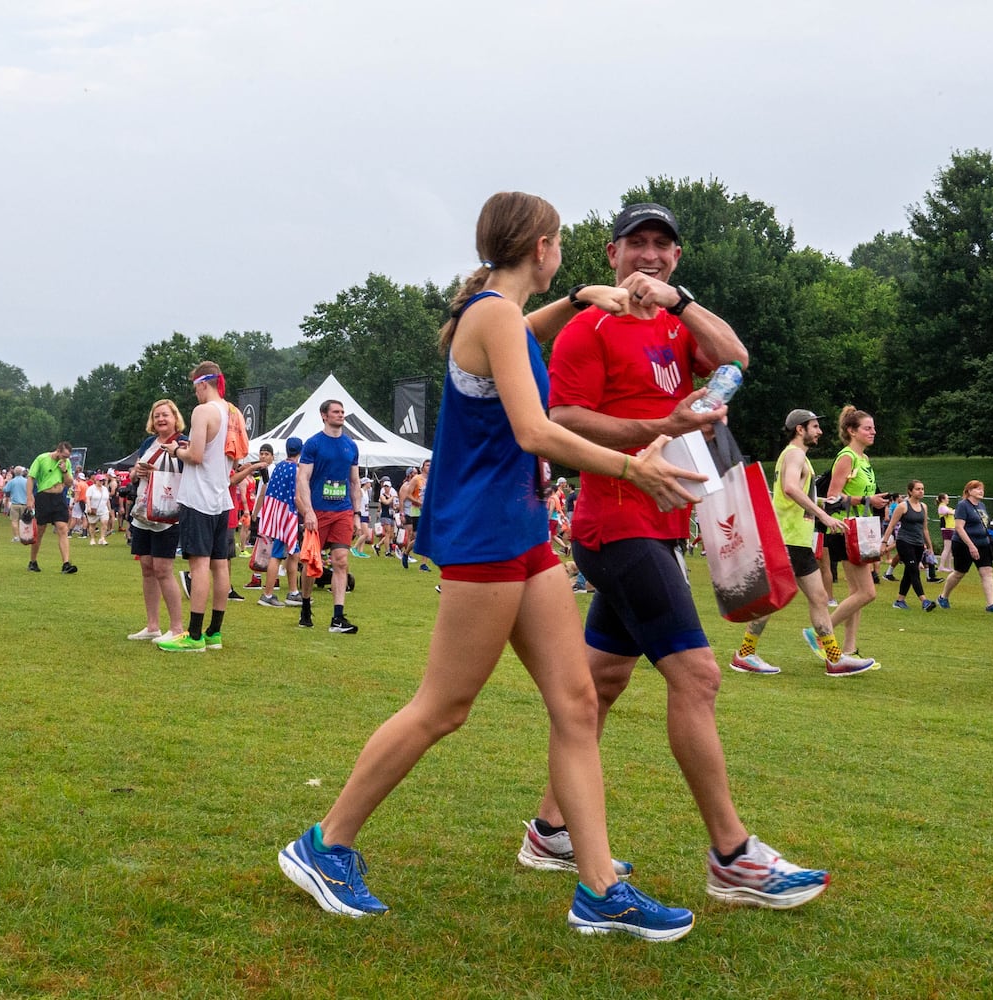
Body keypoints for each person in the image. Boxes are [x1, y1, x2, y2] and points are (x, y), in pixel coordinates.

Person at [278, 191, 697, 940]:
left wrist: (574, 299)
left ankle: (599, 888)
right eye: (561, 244)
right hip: (486, 536)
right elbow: (536, 430)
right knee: (444, 707)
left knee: (574, 705)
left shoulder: (494, 311)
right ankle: (324, 844)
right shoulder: (491, 314)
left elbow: (520, 342)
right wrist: (633, 469)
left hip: (522, 530)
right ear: (540, 246)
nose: (564, 251)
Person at [541, 200, 829, 909]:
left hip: (662, 524)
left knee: (602, 684)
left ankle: (550, 829)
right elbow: (562, 418)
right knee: (698, 678)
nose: (649, 255)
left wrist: (685, 301)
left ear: (676, 259)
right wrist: (660, 425)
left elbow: (736, 357)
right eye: (636, 243)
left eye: (662, 246)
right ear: (610, 255)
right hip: (614, 521)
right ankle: (731, 855)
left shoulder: (678, 324)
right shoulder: (587, 326)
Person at [727, 409, 876, 676]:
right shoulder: (795, 454)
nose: (819, 432)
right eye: (815, 426)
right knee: (776, 598)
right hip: (788, 538)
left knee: (818, 598)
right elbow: (790, 488)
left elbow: (796, 493)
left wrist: (823, 503)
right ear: (800, 429)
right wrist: (822, 516)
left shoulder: (797, 457)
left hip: (796, 539)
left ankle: (833, 659)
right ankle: (745, 655)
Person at [156, 361, 235, 653]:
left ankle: (195, 635)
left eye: (195, 388)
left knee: (199, 565)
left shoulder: (203, 411)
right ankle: (214, 632)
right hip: (220, 496)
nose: (195, 395)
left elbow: (197, 455)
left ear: (203, 384)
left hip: (198, 497)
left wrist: (177, 450)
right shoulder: (232, 411)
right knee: (220, 564)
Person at [822, 406, 891, 657]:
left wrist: (876, 502)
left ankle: (849, 650)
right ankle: (822, 631)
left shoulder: (864, 460)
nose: (873, 432)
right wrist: (866, 500)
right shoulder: (847, 457)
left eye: (873, 427)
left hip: (861, 529)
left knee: (856, 594)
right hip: (844, 529)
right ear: (852, 431)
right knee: (866, 592)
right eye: (867, 428)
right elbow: (832, 497)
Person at [295, 399, 364, 633]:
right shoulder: (313, 444)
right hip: (318, 512)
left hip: (342, 511)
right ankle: (305, 605)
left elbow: (355, 482)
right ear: (324, 415)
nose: (340, 415)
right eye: (336, 412)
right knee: (312, 564)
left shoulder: (351, 446)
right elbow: (303, 478)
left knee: (341, 561)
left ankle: (337, 617)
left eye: (342, 412)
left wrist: (357, 514)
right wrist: (309, 511)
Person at [127, 399, 187, 642]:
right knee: (147, 567)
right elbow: (133, 473)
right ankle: (152, 625)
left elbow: (188, 473)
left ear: (175, 418)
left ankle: (176, 627)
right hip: (143, 511)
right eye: (156, 415)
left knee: (164, 569)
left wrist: (157, 474)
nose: (161, 419)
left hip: (167, 513)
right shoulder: (148, 443)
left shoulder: (183, 444)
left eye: (165, 415)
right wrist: (136, 473)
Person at [937, 480, 993, 612]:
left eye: (982, 489)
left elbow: (984, 524)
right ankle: (943, 597)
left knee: (987, 571)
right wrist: (971, 545)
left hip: (983, 544)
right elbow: (959, 527)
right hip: (963, 544)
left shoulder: (982, 506)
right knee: (959, 573)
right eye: (977, 488)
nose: (981, 491)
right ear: (969, 491)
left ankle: (991, 604)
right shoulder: (963, 505)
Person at [256, 437, 304, 608]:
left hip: (277, 514)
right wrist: (307, 513)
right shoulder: (296, 470)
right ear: (301, 451)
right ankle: (267, 594)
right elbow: (297, 497)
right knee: (277, 555)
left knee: (294, 553)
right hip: (287, 516)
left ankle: (294, 592)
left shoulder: (279, 467)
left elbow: (268, 490)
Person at [883, 480, 936, 612]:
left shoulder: (924, 506)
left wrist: (929, 546)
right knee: (914, 570)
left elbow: (925, 529)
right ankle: (924, 601)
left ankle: (899, 601)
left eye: (922, 489)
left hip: (918, 544)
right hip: (904, 542)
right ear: (910, 491)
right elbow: (891, 525)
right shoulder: (903, 506)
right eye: (918, 489)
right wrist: (884, 542)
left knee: (909, 572)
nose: (921, 491)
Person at [26, 443, 77, 574]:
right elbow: (31, 478)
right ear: (58, 451)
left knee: (63, 528)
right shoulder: (42, 458)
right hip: (44, 497)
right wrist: (30, 497)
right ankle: (33, 561)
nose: (65, 459)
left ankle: (66, 563)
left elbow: (69, 483)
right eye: (64, 456)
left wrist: (64, 470)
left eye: (67, 457)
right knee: (40, 530)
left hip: (59, 497)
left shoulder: (66, 463)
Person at [396, 461, 431, 571]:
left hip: (428, 510)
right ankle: (406, 553)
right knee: (419, 537)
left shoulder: (432, 479)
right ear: (422, 467)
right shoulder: (417, 479)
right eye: (427, 465)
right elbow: (408, 495)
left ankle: (423, 564)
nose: (430, 467)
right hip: (417, 511)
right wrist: (419, 503)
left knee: (427, 536)